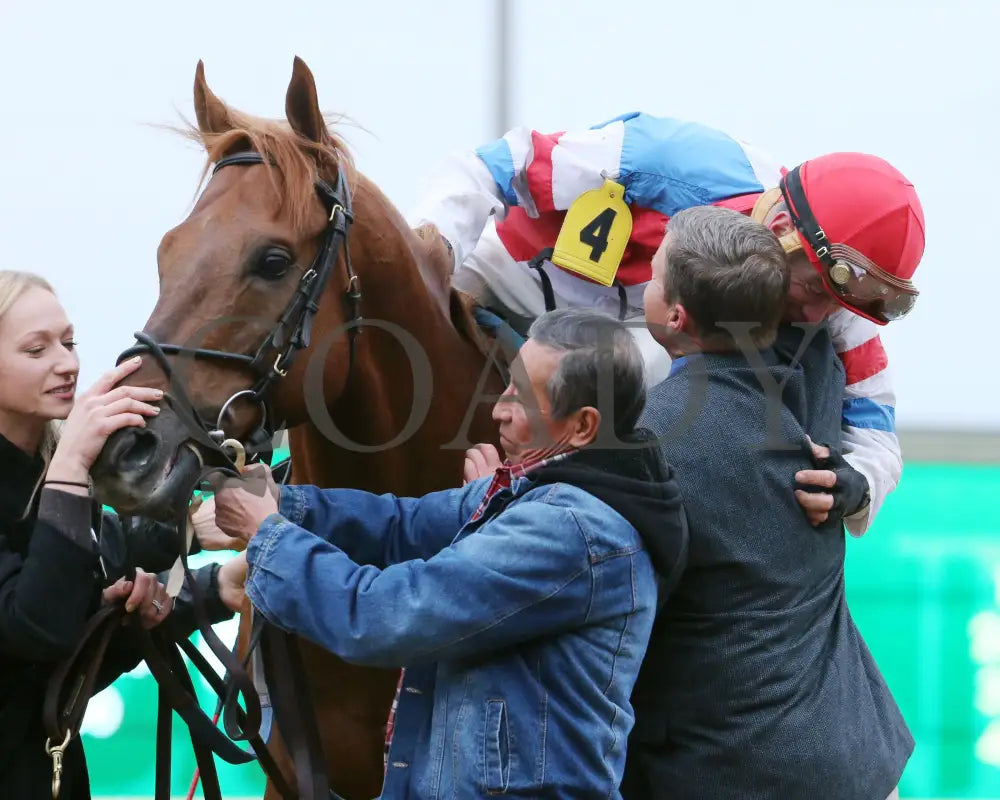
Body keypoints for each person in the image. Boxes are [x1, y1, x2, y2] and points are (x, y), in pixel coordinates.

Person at [210, 308, 688, 800]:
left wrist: (267, 536)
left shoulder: (568, 529)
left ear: (584, 426)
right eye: (506, 387)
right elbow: (402, 524)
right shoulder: (535, 492)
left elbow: (387, 615)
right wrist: (283, 501)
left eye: (520, 397)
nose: (498, 411)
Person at [410, 112, 926, 536]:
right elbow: (490, 166)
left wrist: (855, 484)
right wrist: (433, 255)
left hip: (627, 357)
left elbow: (877, 435)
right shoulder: (672, 158)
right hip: (502, 282)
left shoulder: (836, 297)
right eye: (813, 290)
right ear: (782, 228)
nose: (817, 317)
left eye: (837, 306)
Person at [620, 206, 911, 800]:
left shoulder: (646, 442)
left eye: (652, 278)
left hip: (728, 772)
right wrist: (860, 478)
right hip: (862, 764)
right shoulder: (822, 373)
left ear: (674, 313)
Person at [0, 271, 235, 799]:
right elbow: (35, 629)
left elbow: (52, 673)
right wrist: (72, 462)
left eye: (69, 341)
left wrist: (212, 583)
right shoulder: (63, 470)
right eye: (36, 350)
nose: (67, 363)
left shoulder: (52, 473)